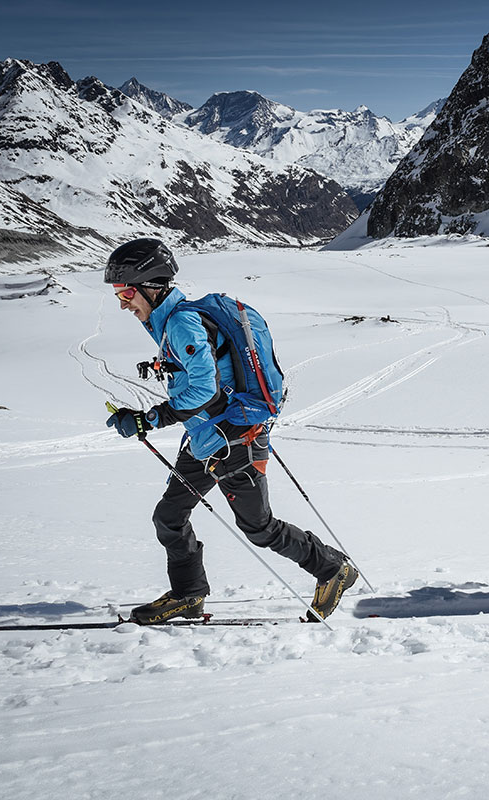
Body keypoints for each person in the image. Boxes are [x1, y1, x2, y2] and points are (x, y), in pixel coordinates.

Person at [102, 237, 357, 624]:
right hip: (205, 439)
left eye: (126, 293)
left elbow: (204, 390)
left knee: (260, 528)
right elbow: (200, 379)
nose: (123, 303)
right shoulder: (171, 323)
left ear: (151, 286)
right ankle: (189, 595)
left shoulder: (182, 323)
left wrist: (148, 420)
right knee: (169, 517)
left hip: (235, 441)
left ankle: (333, 568)